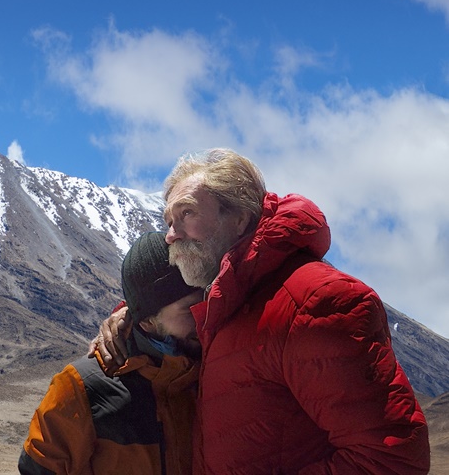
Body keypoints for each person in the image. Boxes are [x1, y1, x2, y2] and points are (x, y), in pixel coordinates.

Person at [95, 148, 430, 474]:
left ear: (240, 218)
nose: (170, 235)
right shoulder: (224, 305)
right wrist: (136, 317)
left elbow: (391, 459)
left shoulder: (314, 303)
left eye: (187, 213)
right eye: (169, 221)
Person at [19, 231, 204, 475]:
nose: (203, 317)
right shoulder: (83, 386)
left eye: (207, 301)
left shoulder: (212, 368)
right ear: (147, 321)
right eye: (189, 310)